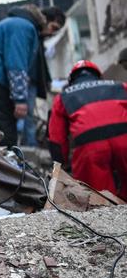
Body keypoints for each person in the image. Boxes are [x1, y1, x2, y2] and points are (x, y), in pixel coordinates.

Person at [0, 5, 65, 146]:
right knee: (6, 126)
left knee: (6, 124)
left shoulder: (21, 25)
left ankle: (7, 156)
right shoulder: (23, 27)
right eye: (54, 28)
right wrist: (20, 99)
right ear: (44, 20)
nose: (52, 33)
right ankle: (9, 160)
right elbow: (16, 64)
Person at [47, 60, 127, 199]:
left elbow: (56, 138)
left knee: (100, 198)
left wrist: (60, 165)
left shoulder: (63, 97)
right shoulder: (120, 86)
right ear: (98, 76)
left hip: (91, 148)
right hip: (124, 138)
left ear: (72, 80)